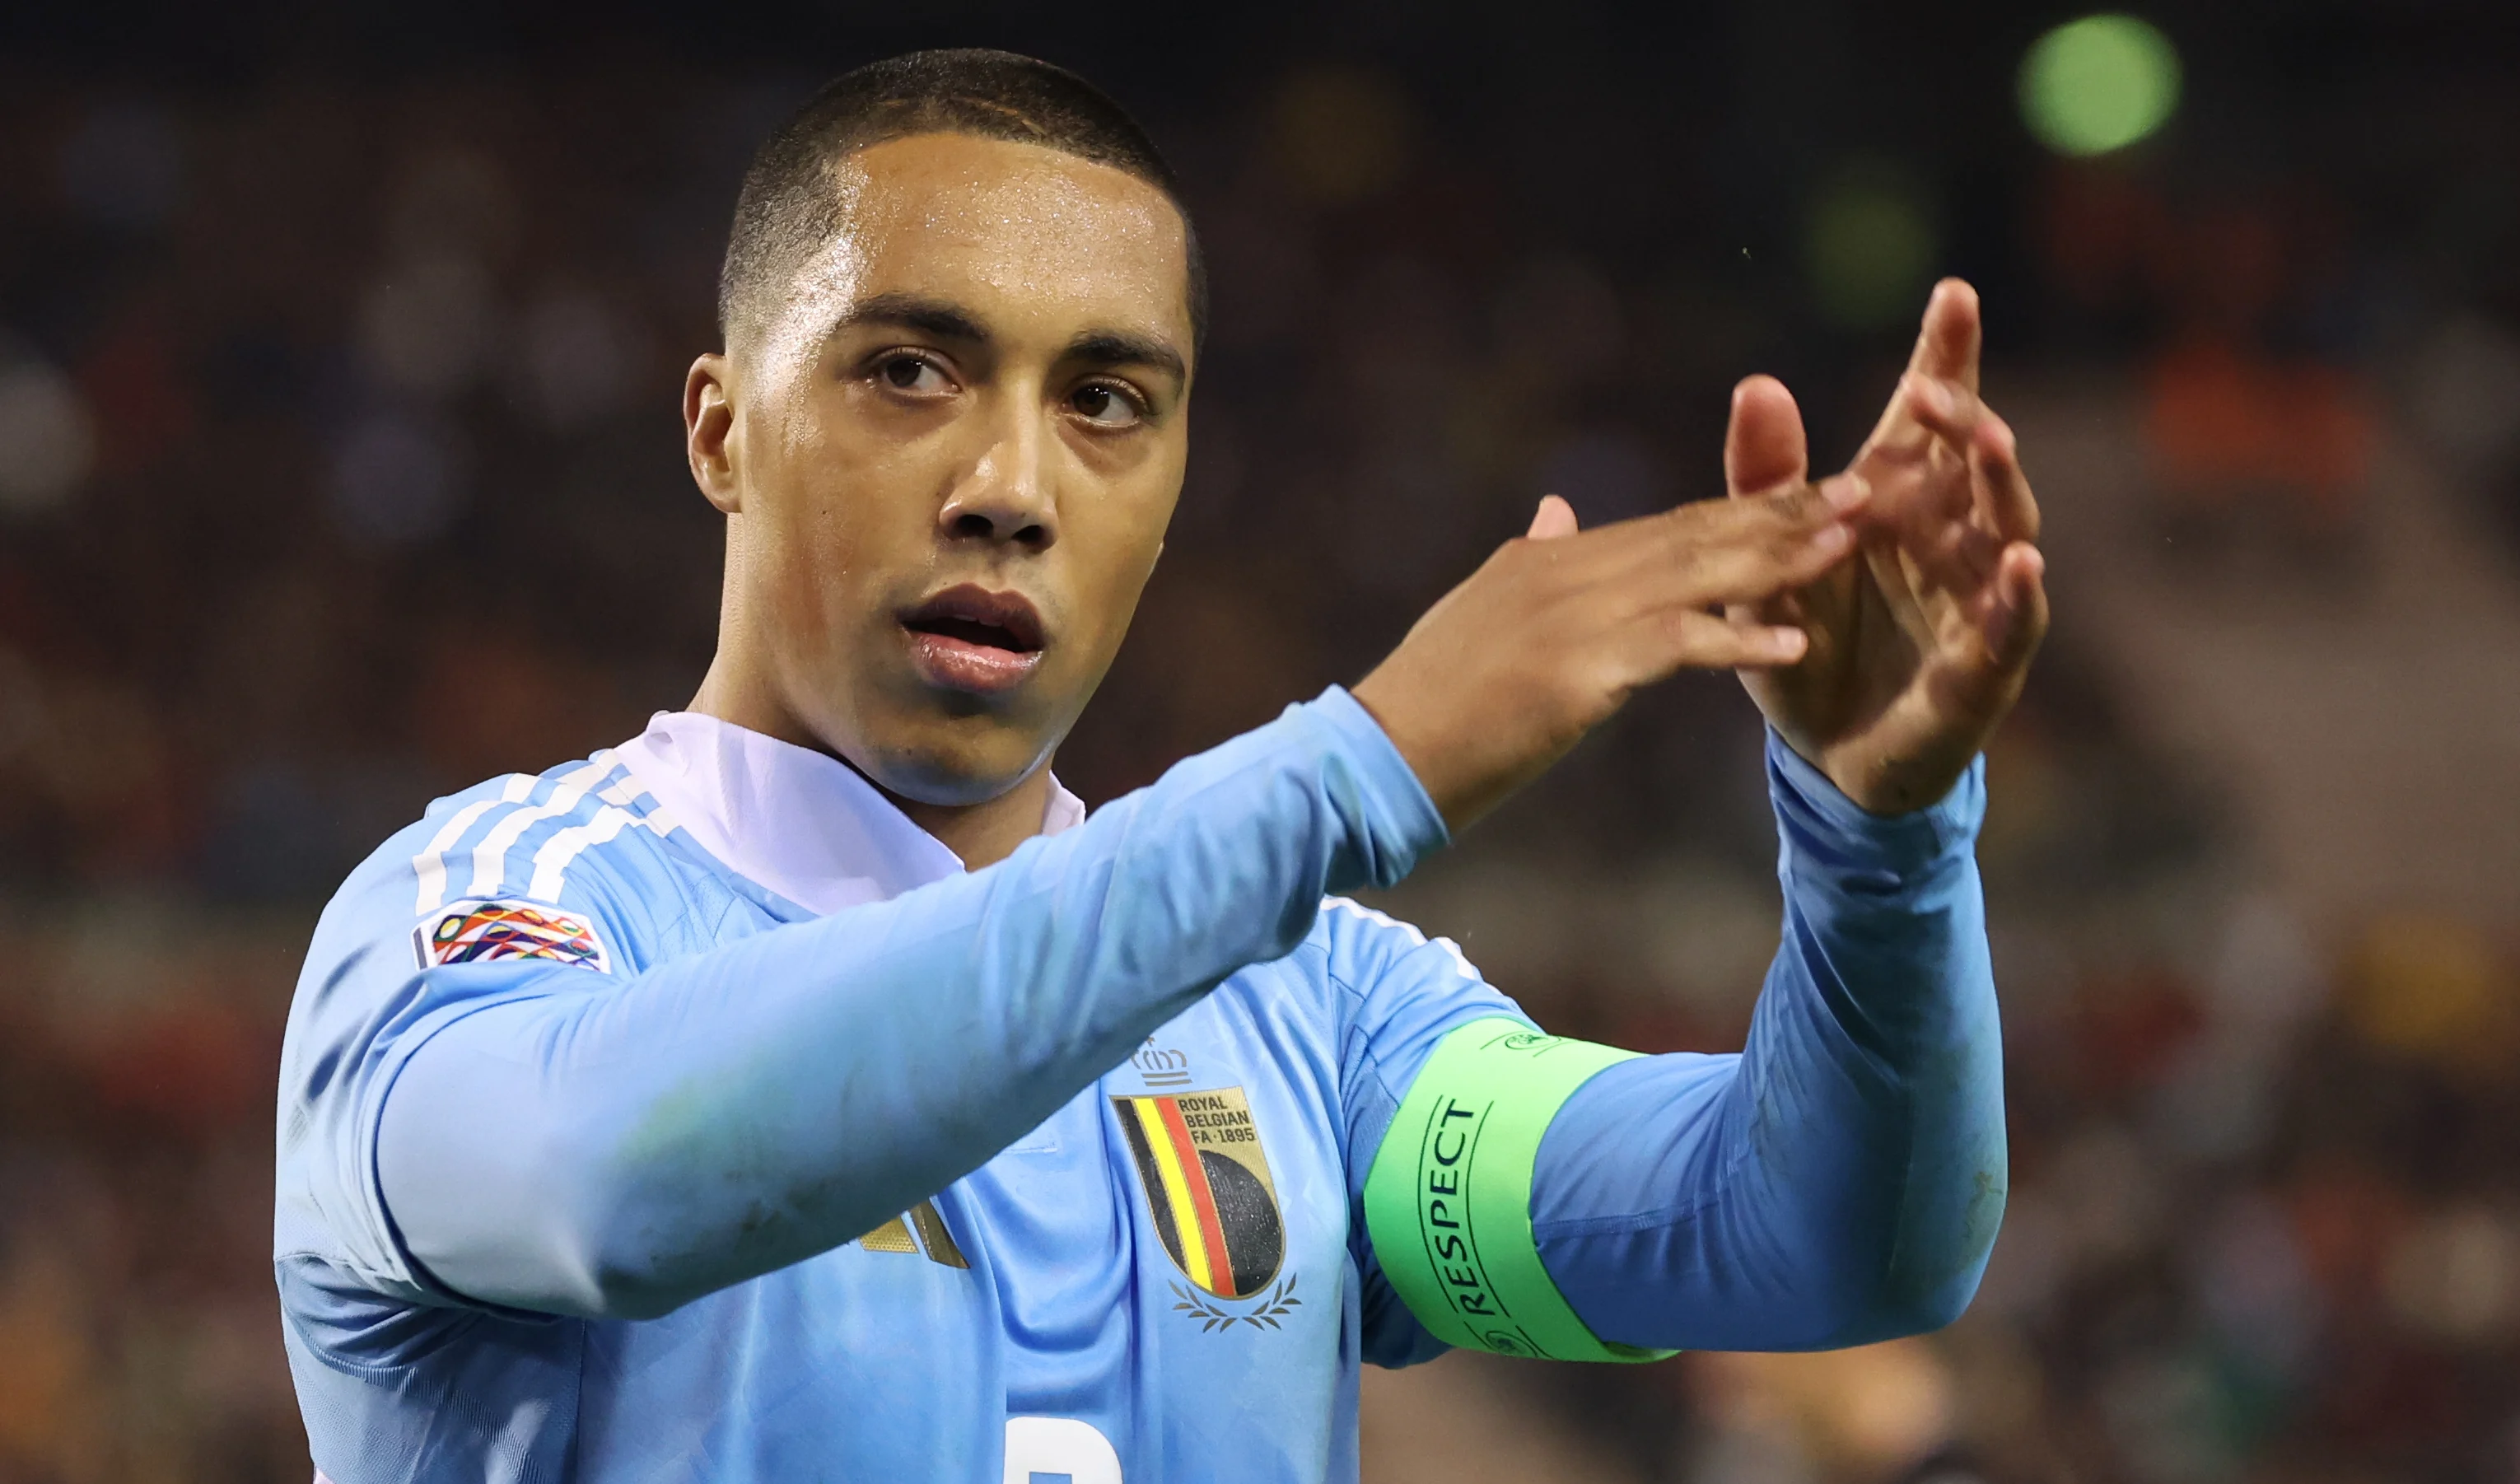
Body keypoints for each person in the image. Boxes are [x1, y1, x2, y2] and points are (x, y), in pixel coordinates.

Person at [273, 49, 2047, 1484]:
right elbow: (600, 1185)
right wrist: (1358, 763)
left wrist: (1881, 845)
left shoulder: (1315, 1015)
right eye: (909, 370)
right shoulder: (490, 914)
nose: (1013, 484)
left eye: (1107, 402)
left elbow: (1823, 1243)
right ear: (723, 426)